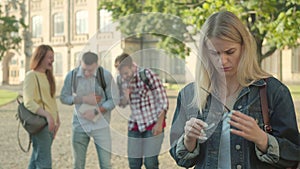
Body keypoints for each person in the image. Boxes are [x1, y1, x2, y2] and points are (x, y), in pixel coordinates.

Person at [169, 11, 300, 169]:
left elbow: (294, 155)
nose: (222, 61)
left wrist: (262, 139)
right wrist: (188, 140)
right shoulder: (189, 94)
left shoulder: (274, 91)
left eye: (230, 52)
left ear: (244, 48)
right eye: (214, 53)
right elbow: (181, 159)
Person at [60, 51, 117, 169]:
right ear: (81, 63)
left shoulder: (105, 75)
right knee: (78, 165)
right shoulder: (72, 75)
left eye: (90, 71)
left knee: (106, 165)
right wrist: (83, 99)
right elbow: (63, 97)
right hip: (79, 126)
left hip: (101, 126)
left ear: (97, 64)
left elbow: (114, 99)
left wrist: (97, 111)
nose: (86, 73)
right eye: (84, 69)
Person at [115, 53, 169, 169]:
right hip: (135, 125)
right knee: (134, 163)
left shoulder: (146, 74)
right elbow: (122, 104)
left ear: (132, 67)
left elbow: (163, 100)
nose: (123, 77)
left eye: (125, 73)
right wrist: (125, 96)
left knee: (150, 163)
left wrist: (159, 124)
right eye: (121, 74)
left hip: (153, 123)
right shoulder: (120, 79)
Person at [23, 44, 60, 169]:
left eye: (53, 57)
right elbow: (28, 101)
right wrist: (48, 116)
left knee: (36, 159)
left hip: (50, 125)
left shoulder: (48, 77)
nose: (52, 60)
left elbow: (52, 101)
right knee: (44, 162)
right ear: (40, 57)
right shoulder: (31, 76)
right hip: (41, 124)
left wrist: (57, 120)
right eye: (49, 57)